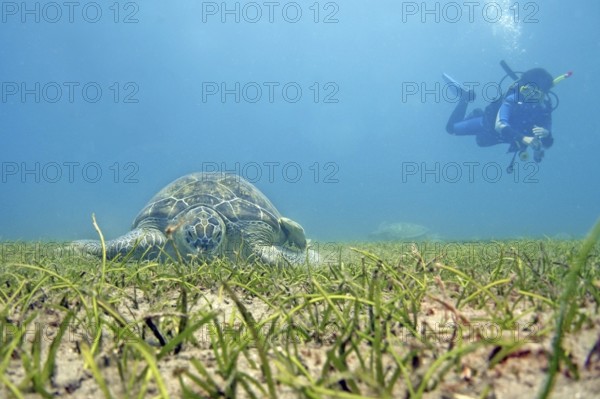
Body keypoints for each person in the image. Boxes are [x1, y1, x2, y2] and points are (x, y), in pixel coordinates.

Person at [444, 67, 556, 166]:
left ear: (543, 95)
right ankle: (465, 97)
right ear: (523, 88)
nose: (530, 99)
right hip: (487, 125)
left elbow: (543, 147)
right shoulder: (512, 99)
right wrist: (523, 138)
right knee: (451, 129)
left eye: (537, 94)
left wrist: (545, 138)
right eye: (527, 91)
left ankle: (477, 113)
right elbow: (500, 125)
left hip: (500, 137)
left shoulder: (544, 111)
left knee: (481, 142)